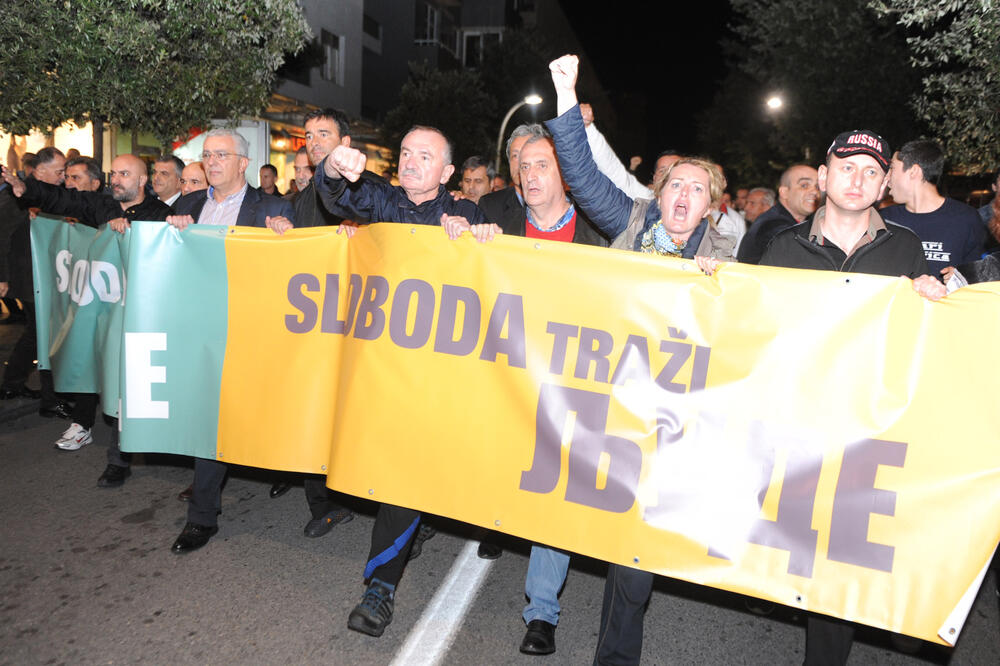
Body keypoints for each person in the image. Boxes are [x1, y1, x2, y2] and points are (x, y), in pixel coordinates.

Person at [546, 54, 735, 665]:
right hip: (611, 403)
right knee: (595, 525)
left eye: (696, 188)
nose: (683, 195)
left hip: (673, 424)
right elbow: (577, 168)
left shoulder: (732, 257)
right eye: (674, 184)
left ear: (712, 207)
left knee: (636, 553)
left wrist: (723, 284)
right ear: (659, 194)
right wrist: (566, 97)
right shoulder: (628, 222)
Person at [442, 130, 609, 657]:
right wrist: (456, 229)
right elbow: (444, 247)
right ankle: (493, 522)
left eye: (542, 165)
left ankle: (542, 612)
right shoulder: (500, 222)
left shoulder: (596, 236)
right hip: (504, 376)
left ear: (566, 176)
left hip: (565, 385)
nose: (531, 175)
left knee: (551, 488)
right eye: (524, 168)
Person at [315, 123, 484, 638]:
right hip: (380, 368)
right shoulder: (382, 199)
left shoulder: (466, 214)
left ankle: (380, 587)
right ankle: (413, 531)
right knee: (394, 470)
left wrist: (482, 240)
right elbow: (336, 194)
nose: (410, 161)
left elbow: (494, 271)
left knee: (405, 475)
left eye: (424, 156)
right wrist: (331, 168)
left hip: (436, 377)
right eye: (405, 153)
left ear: (448, 172)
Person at [4, 154, 173, 487]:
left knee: (127, 385)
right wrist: (27, 189)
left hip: (138, 319)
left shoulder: (161, 215)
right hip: (101, 315)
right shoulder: (101, 206)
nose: (118, 179)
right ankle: (93, 432)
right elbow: (62, 197)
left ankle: (118, 460)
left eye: (126, 174)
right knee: (98, 371)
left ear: (142, 182)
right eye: (115, 174)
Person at [164, 127, 295, 554]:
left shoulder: (272, 206)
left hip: (253, 332)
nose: (213, 161)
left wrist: (286, 235)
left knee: (267, 415)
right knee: (210, 421)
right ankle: (202, 516)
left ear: (243, 162)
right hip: (203, 332)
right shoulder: (187, 205)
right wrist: (173, 230)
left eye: (222, 154)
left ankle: (304, 481)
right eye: (207, 155)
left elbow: (302, 263)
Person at [0, 148, 73, 417]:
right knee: (45, 334)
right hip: (29, 276)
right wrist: (3, 278)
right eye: (59, 172)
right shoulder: (17, 194)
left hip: (41, 274)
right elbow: (2, 236)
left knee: (36, 332)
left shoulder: (46, 194)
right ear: (39, 171)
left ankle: (13, 382)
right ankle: (49, 398)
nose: (63, 177)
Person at [882, 139, 984, 279]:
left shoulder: (966, 219)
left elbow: (979, 278)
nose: (886, 177)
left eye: (892, 168)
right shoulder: (885, 219)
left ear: (914, 171)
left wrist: (963, 278)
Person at [737, 164, 820, 264]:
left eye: (817, 186)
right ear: (784, 192)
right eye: (804, 185)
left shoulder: (783, 221)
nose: (814, 191)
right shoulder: (775, 226)